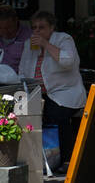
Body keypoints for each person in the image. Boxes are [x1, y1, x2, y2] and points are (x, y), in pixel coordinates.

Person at [18, 10, 86, 170]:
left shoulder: (63, 39)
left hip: (65, 93)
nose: (37, 31)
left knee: (55, 114)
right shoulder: (29, 44)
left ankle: (65, 159)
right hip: (37, 93)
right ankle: (30, 158)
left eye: (41, 27)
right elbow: (22, 70)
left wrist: (46, 45)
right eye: (34, 28)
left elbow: (68, 62)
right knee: (19, 111)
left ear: (51, 28)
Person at [0, 4, 31, 71]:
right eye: (0, 28)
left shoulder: (29, 36)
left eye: (8, 28)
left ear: (16, 21)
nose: (4, 32)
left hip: (17, 78)